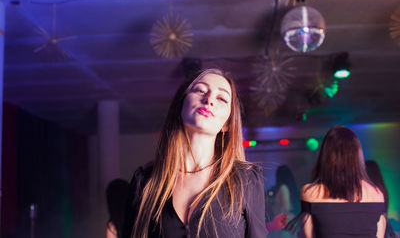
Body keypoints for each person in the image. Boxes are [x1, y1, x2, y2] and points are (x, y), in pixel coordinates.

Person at [122, 68, 267, 238]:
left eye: (221, 98)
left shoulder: (246, 180)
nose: (209, 99)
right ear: (181, 105)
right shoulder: (145, 183)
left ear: (226, 125)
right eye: (200, 90)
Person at [286, 125, 387, 238]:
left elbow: (309, 236)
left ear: (325, 156)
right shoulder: (376, 193)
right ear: (357, 156)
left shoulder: (311, 192)